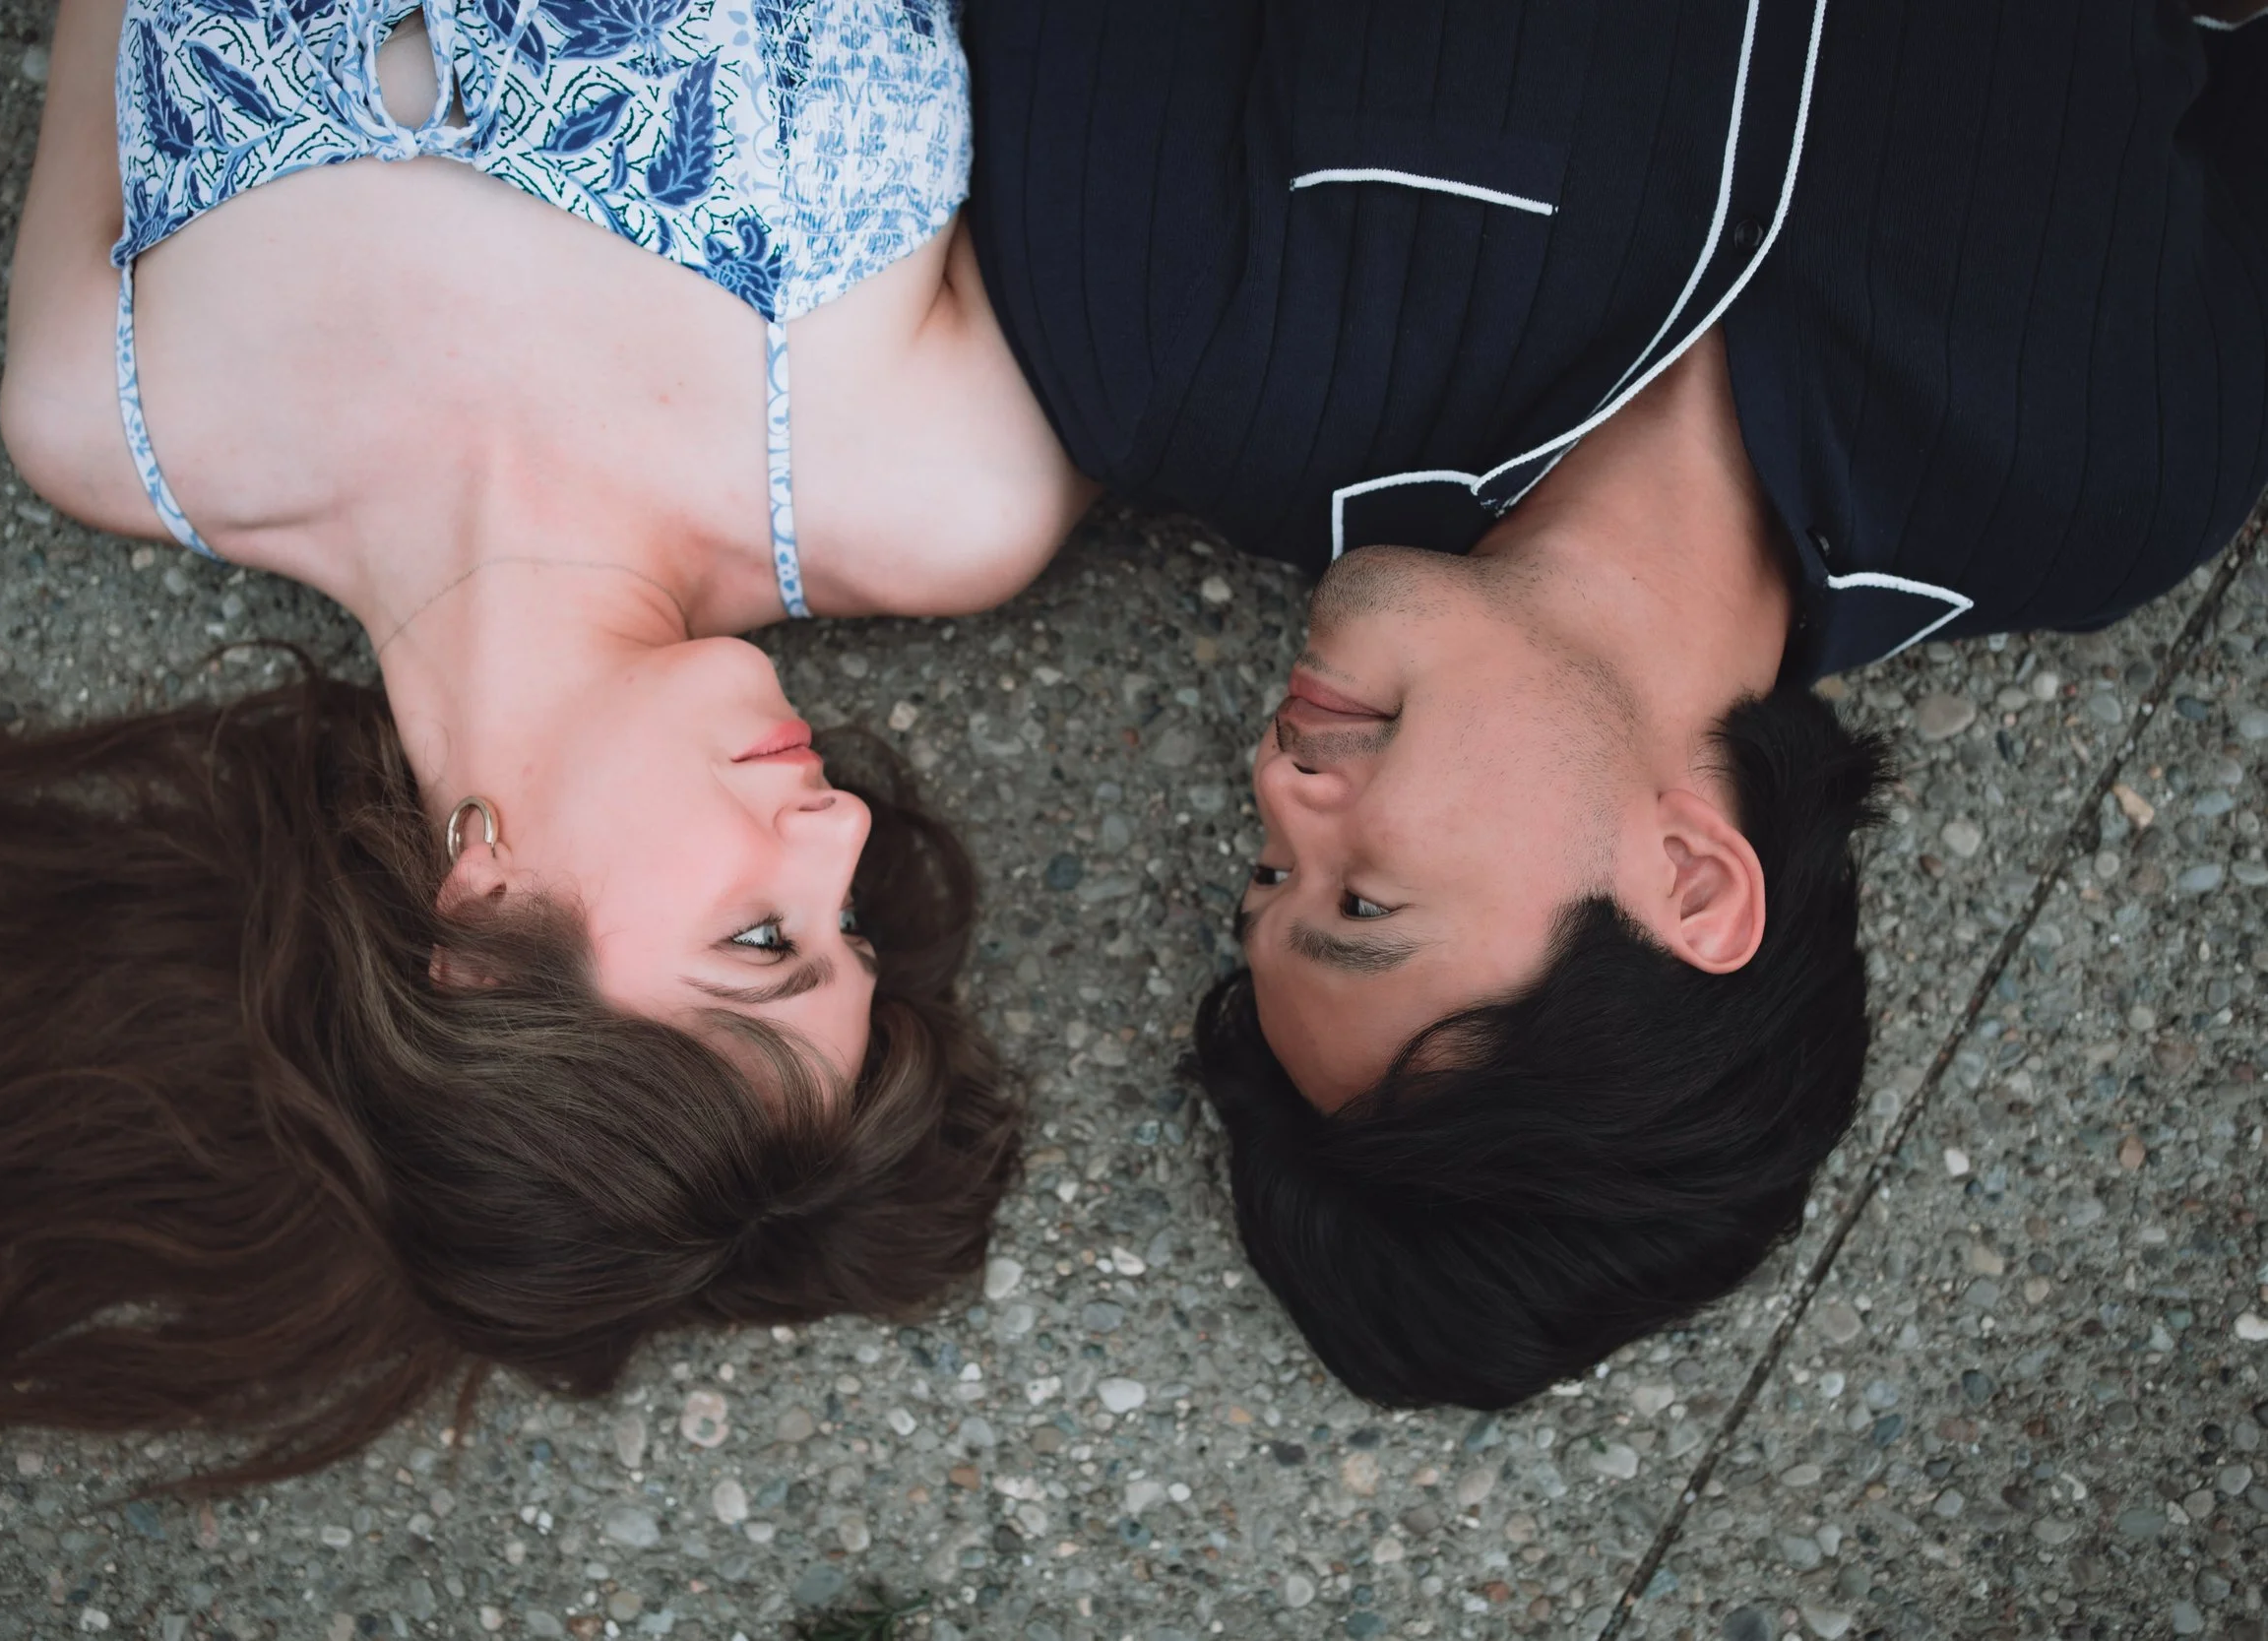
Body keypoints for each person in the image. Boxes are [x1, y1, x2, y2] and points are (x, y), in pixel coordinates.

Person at [0, 0, 1093, 1482]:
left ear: (480, 936)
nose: (843, 830)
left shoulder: (105, 415)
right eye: (845, 923)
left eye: (759, 938)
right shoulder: (939, 493)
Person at [963, 0, 2268, 1404]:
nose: (1277, 782)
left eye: (1268, 872)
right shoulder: (2112, 475)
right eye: (1362, 902)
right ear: (1690, 882)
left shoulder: (1179, 339)